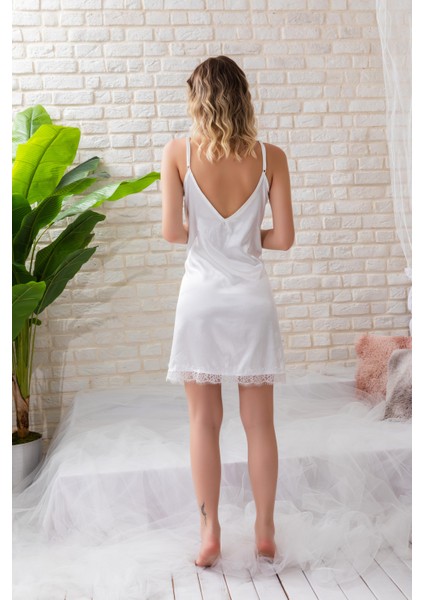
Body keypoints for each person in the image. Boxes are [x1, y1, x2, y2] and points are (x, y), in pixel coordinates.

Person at [161, 55, 295, 569]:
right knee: (259, 424)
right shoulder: (271, 157)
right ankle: (264, 530)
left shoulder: (178, 152)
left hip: (200, 300)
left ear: (198, 100)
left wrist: (212, 239)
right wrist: (243, 240)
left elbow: (173, 232)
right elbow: (283, 239)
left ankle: (209, 531)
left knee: (203, 421)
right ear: (243, 97)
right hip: (250, 302)